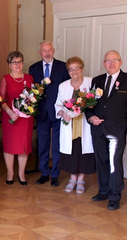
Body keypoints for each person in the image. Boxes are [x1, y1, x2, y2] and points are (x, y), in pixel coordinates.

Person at [85, 50, 127, 210]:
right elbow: (87, 105)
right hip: (98, 129)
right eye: (108, 60)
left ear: (120, 62)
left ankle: (115, 196)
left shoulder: (126, 80)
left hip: (117, 130)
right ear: (104, 64)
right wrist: (90, 117)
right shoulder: (97, 80)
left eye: (115, 60)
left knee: (114, 162)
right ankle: (103, 191)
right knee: (101, 161)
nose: (111, 63)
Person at [29, 41, 70, 187]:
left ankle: (55, 175)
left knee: (57, 145)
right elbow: (32, 90)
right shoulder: (33, 68)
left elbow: (67, 89)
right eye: (44, 51)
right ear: (40, 52)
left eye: (49, 50)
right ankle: (44, 173)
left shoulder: (63, 67)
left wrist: (65, 109)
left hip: (58, 112)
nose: (47, 53)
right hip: (41, 113)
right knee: (43, 144)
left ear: (53, 51)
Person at [55, 56, 95, 194]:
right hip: (69, 125)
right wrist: (62, 113)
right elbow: (58, 104)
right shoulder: (63, 86)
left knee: (83, 151)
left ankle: (81, 180)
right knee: (71, 152)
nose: (74, 72)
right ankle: (72, 179)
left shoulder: (91, 82)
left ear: (82, 69)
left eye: (76, 68)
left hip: (84, 124)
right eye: (71, 69)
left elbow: (96, 102)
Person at [0, 51, 34, 186]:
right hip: (11, 118)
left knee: (24, 145)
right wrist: (10, 112)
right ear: (9, 64)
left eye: (19, 61)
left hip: (25, 118)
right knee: (10, 145)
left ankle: (21, 173)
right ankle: (10, 173)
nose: (17, 65)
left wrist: (30, 106)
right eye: (14, 62)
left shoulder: (30, 78)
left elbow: (33, 97)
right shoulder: (5, 79)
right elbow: (1, 99)